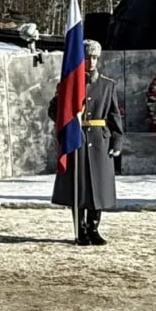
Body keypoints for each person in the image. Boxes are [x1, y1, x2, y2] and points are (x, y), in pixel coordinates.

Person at [48, 40, 124, 245]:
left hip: (100, 141)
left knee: (98, 188)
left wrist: (117, 140)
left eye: (95, 57)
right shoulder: (69, 84)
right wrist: (62, 103)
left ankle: (94, 227)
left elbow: (114, 115)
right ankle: (80, 229)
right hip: (77, 139)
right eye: (88, 56)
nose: (92, 61)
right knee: (78, 188)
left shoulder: (108, 85)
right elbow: (54, 112)